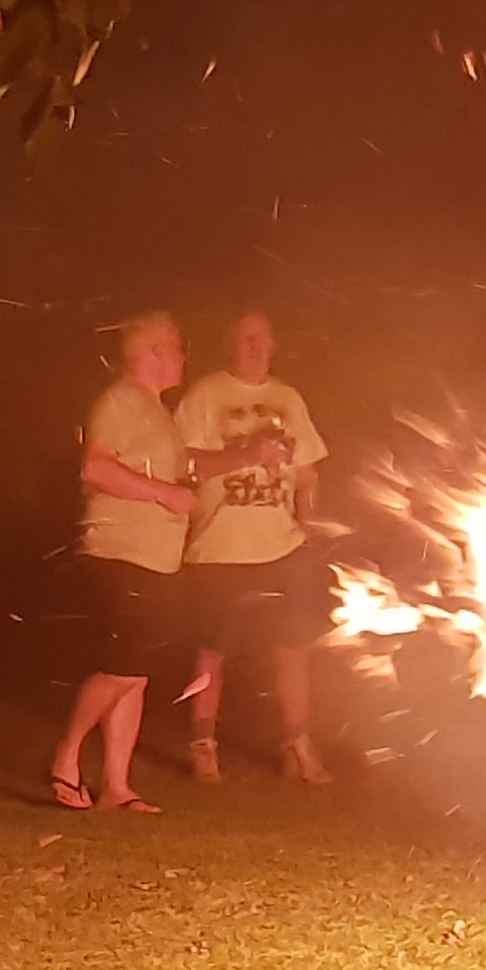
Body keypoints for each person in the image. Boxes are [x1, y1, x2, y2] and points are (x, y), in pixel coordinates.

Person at [174, 306, 339, 783]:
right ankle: (203, 745)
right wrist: (245, 454)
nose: (255, 347)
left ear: (274, 345)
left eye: (263, 338)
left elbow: (307, 472)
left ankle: (297, 745)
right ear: (231, 343)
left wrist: (307, 527)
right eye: (246, 338)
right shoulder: (207, 394)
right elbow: (183, 463)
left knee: (292, 647)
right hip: (217, 547)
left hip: (280, 547)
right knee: (212, 651)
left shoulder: (288, 398)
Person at [51, 310, 197, 813]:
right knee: (123, 667)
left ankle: (117, 786)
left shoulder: (159, 413)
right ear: (153, 352)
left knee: (138, 675)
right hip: (119, 552)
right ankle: (66, 755)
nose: (184, 357)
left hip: (156, 559)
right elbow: (95, 467)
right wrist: (164, 494)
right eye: (177, 347)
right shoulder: (119, 400)